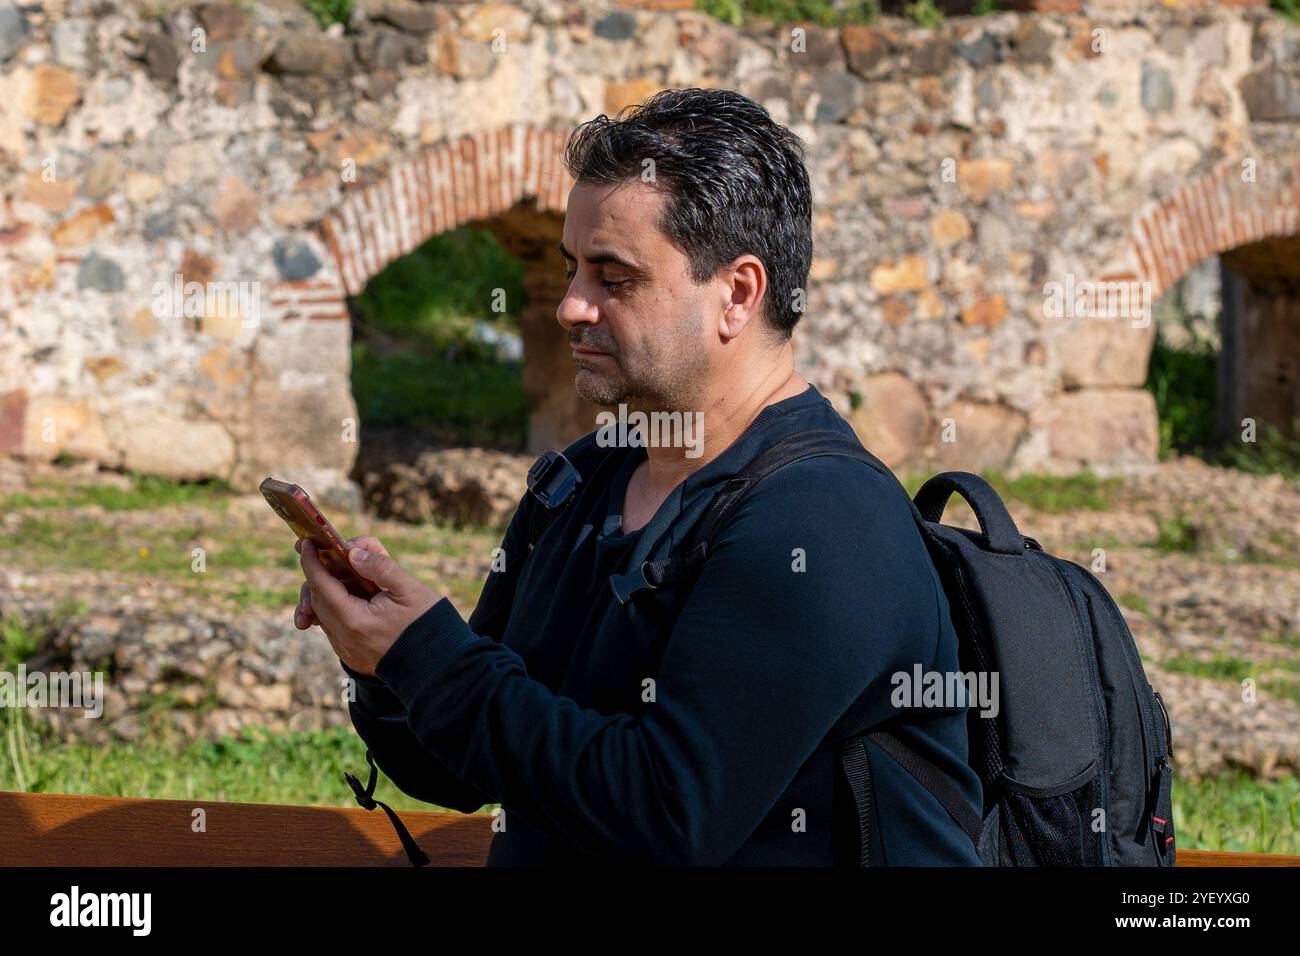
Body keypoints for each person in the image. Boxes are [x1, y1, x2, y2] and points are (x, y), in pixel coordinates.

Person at [295, 87, 983, 866]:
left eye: (612, 278)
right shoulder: (577, 487)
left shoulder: (823, 521)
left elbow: (667, 813)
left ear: (738, 293)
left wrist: (429, 657)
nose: (570, 308)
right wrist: (382, 660)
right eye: (571, 270)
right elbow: (460, 765)